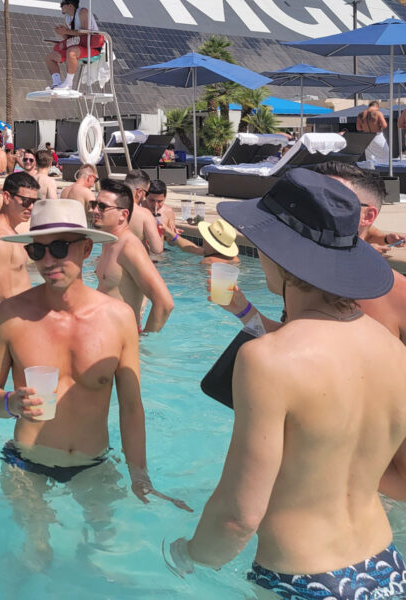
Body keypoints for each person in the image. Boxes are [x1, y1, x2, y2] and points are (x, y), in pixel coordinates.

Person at [169, 169, 406, 598]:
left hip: (304, 578)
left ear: (277, 255)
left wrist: (188, 555)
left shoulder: (266, 361)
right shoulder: (392, 351)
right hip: (386, 568)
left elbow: (238, 516)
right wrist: (242, 311)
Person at [0, 198, 189, 566]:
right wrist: (11, 402)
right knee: (35, 557)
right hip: (25, 463)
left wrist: (140, 475)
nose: (48, 260)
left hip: (94, 464)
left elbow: (131, 405)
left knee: (104, 555)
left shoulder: (119, 318)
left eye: (60, 247)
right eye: (37, 250)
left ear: (87, 248)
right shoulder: (10, 315)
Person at [215, 162, 406, 345]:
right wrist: (244, 310)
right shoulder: (307, 277)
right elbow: (293, 342)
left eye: (334, 198)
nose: (315, 205)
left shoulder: (398, 293)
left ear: (367, 216)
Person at [91, 179, 174, 332]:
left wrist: (143, 345)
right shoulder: (109, 241)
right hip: (104, 335)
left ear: (123, 215)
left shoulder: (129, 247)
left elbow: (165, 303)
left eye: (102, 207)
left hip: (121, 340)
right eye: (94, 204)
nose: (95, 210)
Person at [0, 171, 39, 322]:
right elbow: (3, 297)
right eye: (25, 201)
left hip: (16, 319)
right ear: (6, 197)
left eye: (34, 202)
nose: (31, 207)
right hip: (12, 322)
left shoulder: (10, 232)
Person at [44, 0, 103, 91]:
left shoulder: (83, 12)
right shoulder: (68, 18)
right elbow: (70, 38)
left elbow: (86, 32)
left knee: (71, 52)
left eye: (62, 3)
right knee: (51, 57)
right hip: (79, 45)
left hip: (91, 46)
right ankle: (56, 83)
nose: (60, 6)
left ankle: (68, 84)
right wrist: (63, 33)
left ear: (70, 5)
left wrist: (66, 31)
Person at [124, 171, 163, 256]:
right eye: (146, 193)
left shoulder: (108, 208)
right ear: (139, 192)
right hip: (134, 265)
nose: (145, 196)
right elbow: (157, 249)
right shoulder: (144, 214)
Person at [357, 99, 389, 165]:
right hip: (377, 136)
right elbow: (384, 125)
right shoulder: (378, 113)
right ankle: (384, 172)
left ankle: (372, 173)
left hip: (367, 137)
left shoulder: (361, 114)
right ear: (377, 106)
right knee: (385, 156)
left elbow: (358, 128)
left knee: (370, 158)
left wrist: (365, 127)